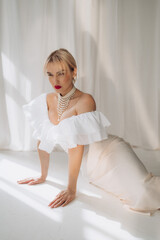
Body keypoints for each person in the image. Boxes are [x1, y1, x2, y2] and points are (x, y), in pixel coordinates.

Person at [17, 48, 160, 215]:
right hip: (89, 167)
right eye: (50, 74)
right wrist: (43, 176)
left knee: (143, 191)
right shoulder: (47, 100)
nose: (55, 80)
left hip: (109, 152)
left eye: (61, 73)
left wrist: (71, 189)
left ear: (74, 71)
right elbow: (42, 139)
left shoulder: (85, 100)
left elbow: (76, 146)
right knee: (133, 195)